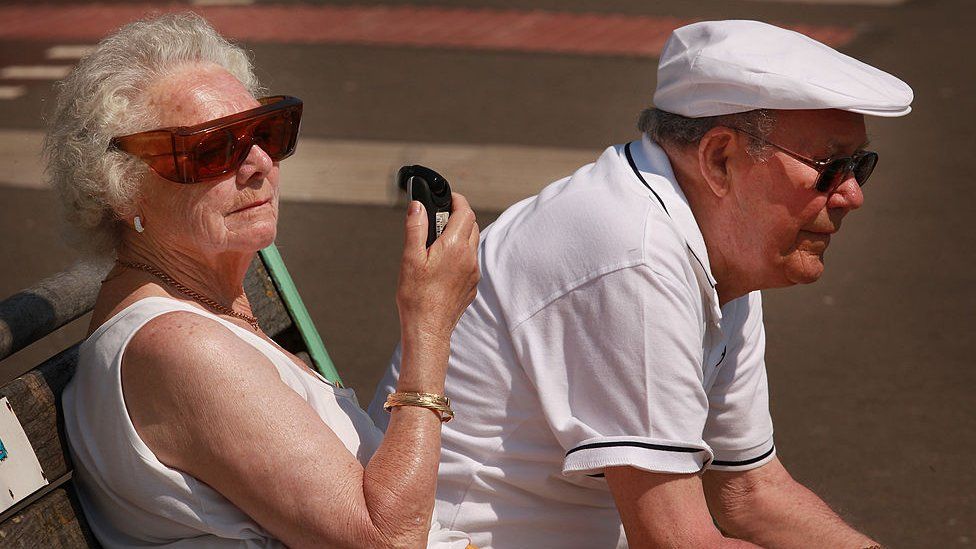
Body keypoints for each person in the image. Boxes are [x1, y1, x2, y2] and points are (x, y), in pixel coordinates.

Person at [369, 20, 913, 548]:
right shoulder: (636, 257)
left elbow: (750, 492)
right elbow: (675, 540)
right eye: (828, 167)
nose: (851, 195)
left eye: (858, 165)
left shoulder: (716, 243)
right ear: (719, 159)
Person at [53, 13, 479, 548]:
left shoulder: (207, 305)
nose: (258, 162)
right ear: (122, 189)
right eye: (211, 149)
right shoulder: (179, 349)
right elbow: (388, 540)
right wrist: (429, 325)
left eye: (266, 132)